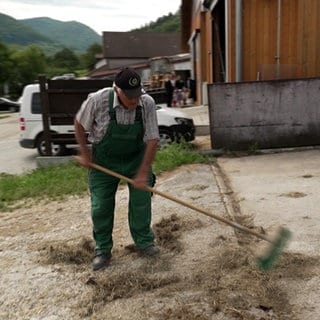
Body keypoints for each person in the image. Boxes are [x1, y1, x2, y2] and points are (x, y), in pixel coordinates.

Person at [74, 67, 160, 271]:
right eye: (129, 97)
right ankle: (102, 249)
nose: (134, 101)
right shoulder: (98, 100)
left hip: (136, 160)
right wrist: (86, 154)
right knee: (101, 207)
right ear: (116, 89)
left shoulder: (146, 103)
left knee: (141, 203)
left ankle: (144, 243)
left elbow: (152, 138)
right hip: (103, 163)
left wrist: (142, 171)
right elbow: (79, 124)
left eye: (136, 95)